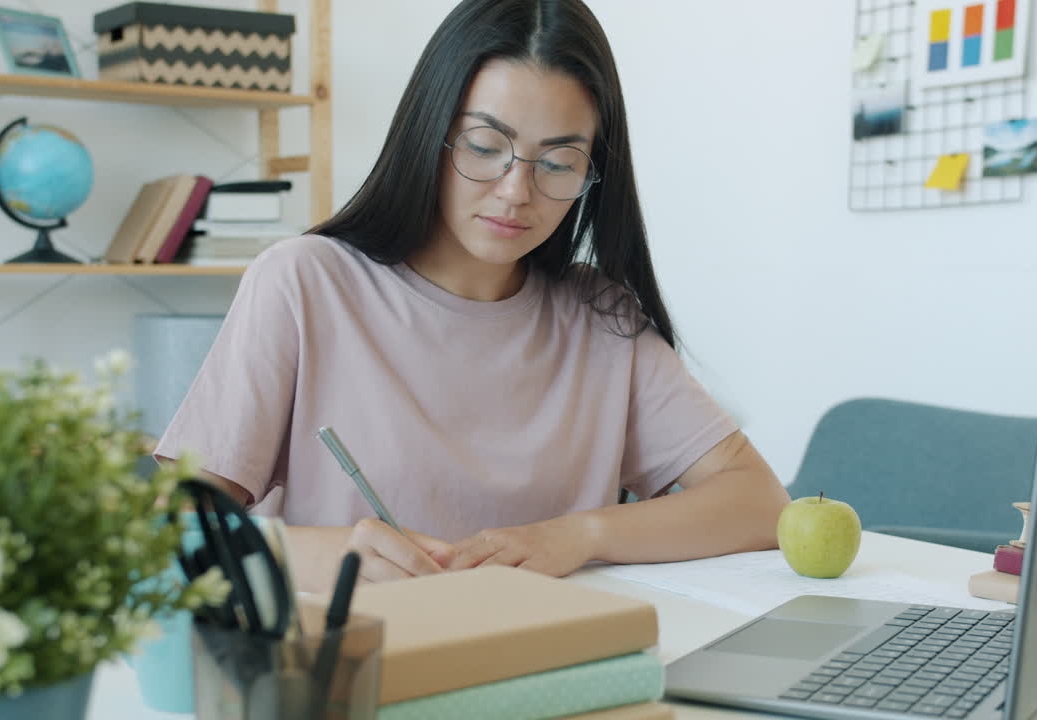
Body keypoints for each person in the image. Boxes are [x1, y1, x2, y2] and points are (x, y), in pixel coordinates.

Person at [155, 0, 791, 589]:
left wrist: (581, 535)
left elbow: (760, 502)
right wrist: (333, 555)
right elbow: (170, 532)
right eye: (485, 147)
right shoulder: (304, 283)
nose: (517, 191)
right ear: (429, 133)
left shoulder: (601, 320)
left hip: (549, 667)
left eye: (559, 163)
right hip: (357, 665)